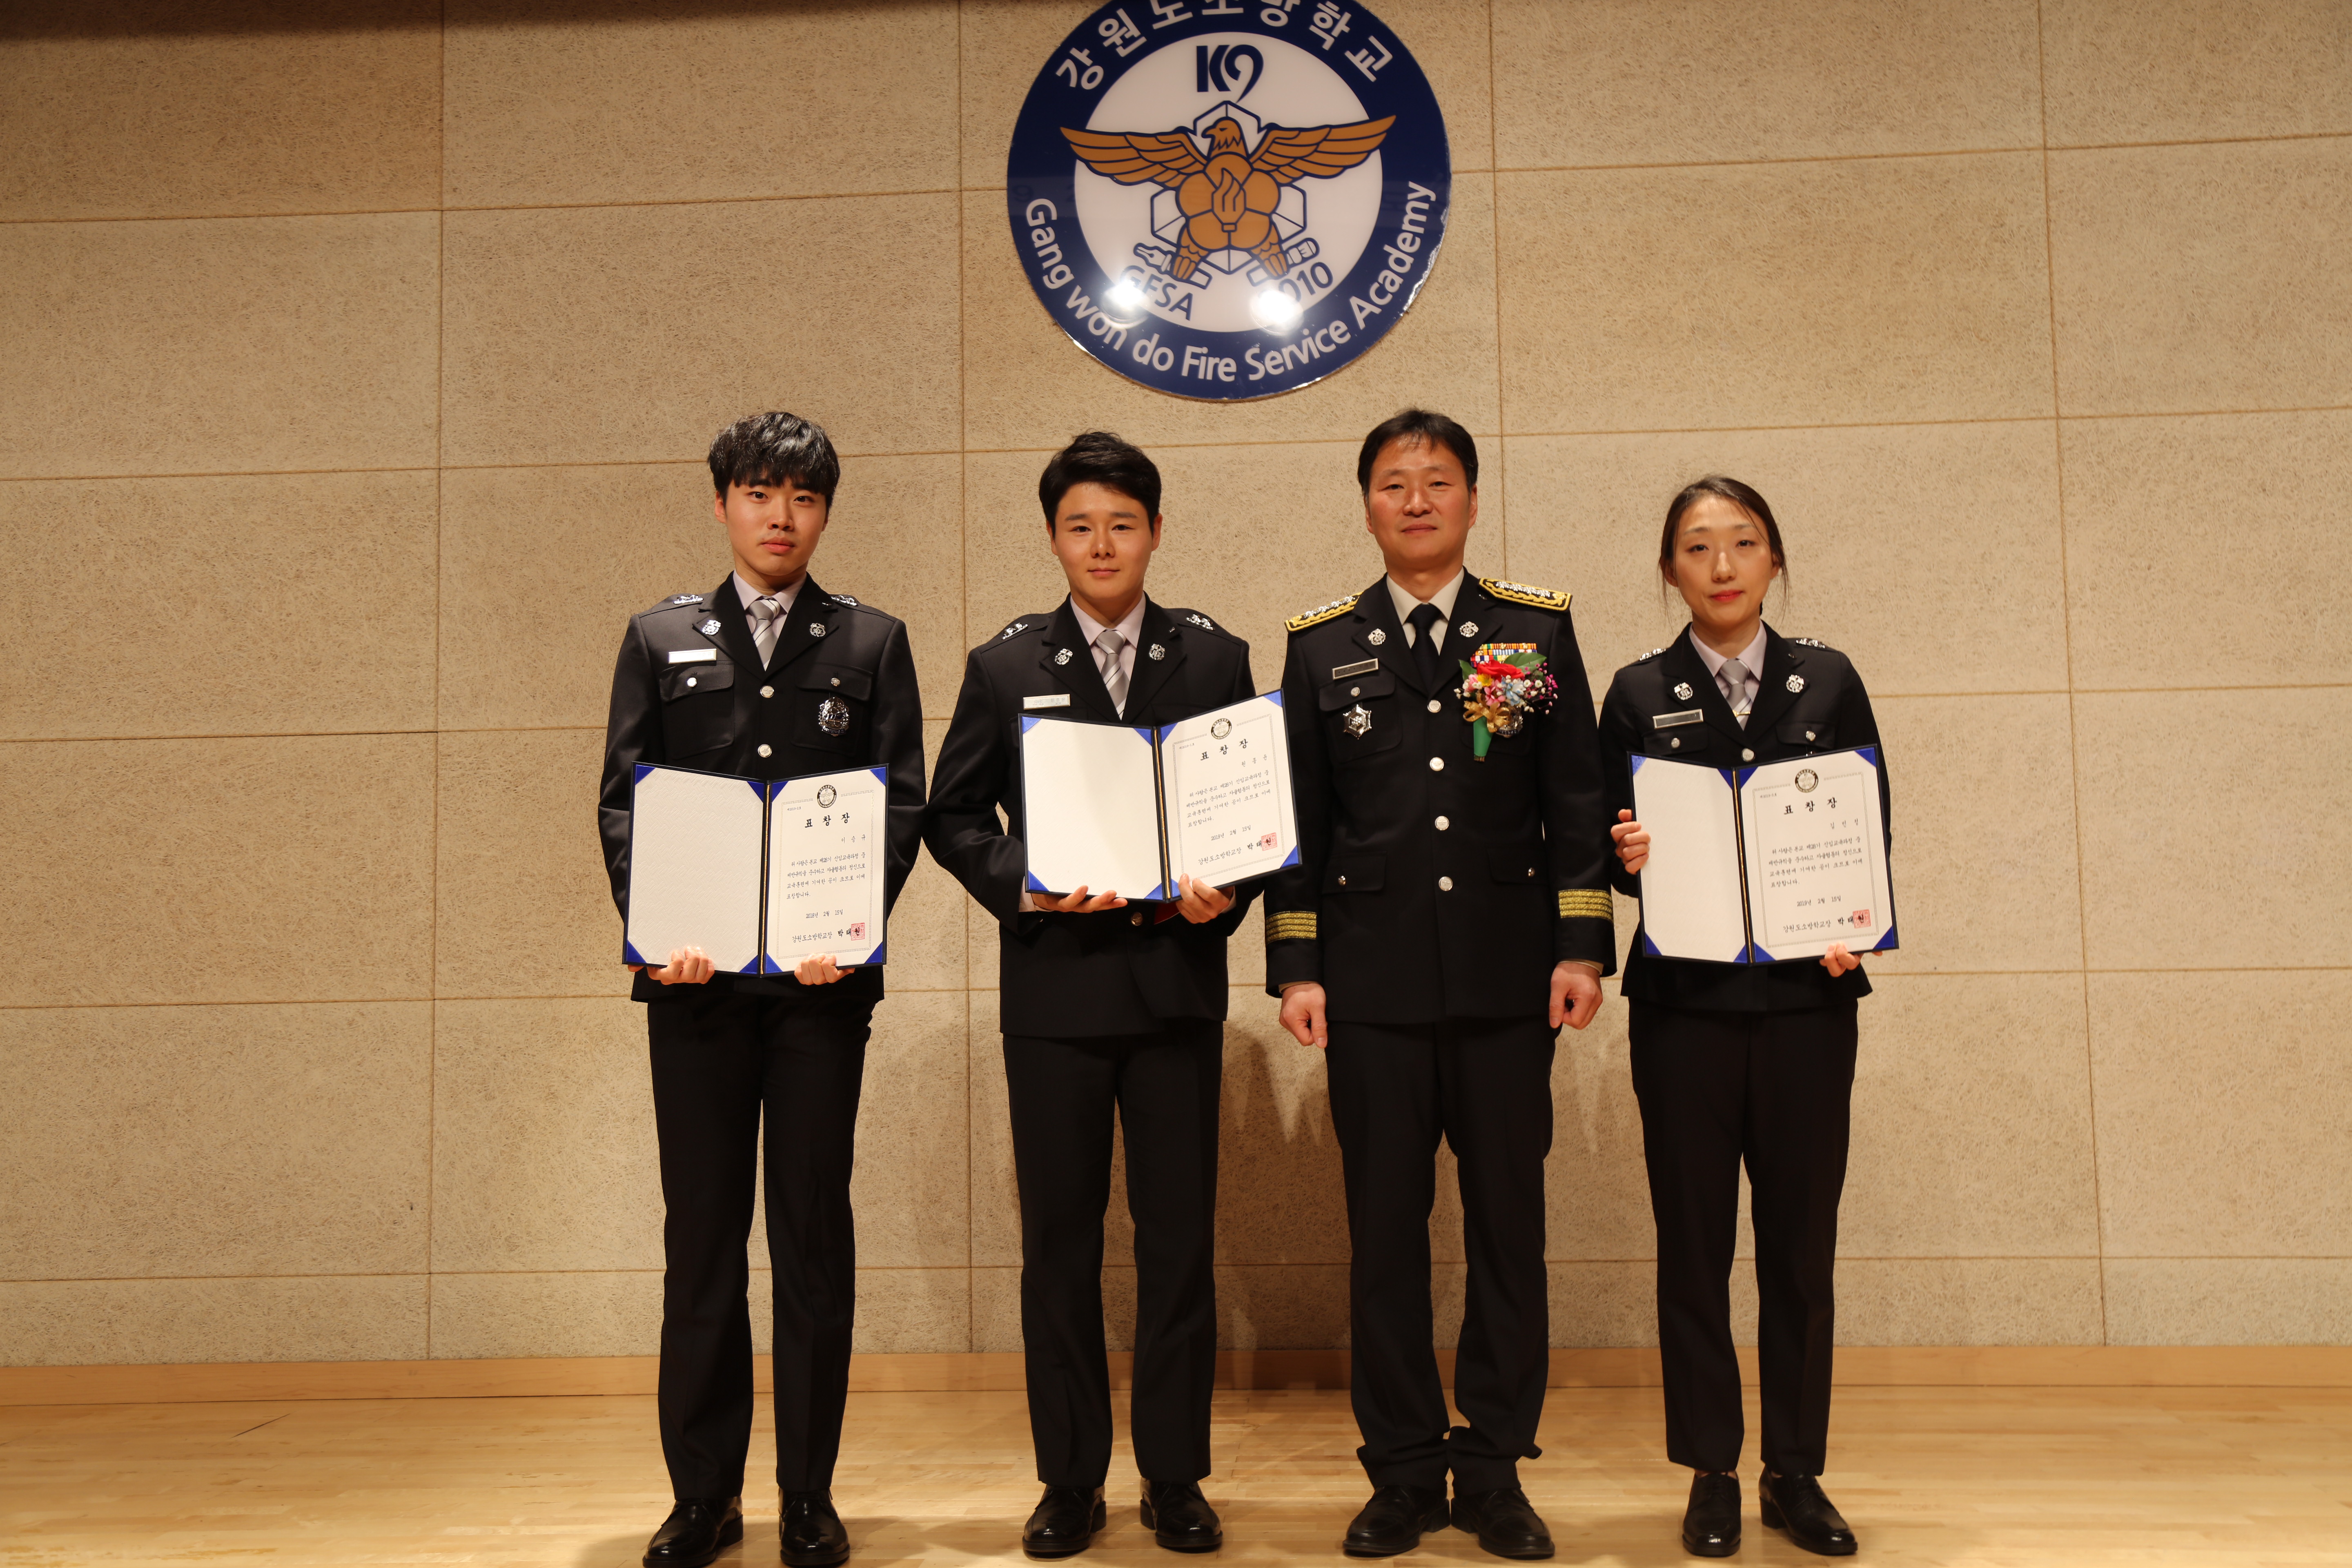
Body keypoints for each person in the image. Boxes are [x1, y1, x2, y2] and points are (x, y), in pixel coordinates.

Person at [1264, 410, 1618, 1561]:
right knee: (1386, 1239)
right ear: (1366, 504)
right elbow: (1298, 826)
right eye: (1393, 484)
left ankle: (1498, 1469)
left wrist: (1580, 948)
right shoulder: (1321, 646)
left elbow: (1575, 801)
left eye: (1438, 481)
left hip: (1511, 987)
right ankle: (1406, 1471)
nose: (1416, 501)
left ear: (1472, 497)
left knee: (1510, 1231)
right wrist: (1298, 966)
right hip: (1369, 991)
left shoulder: (1532, 630)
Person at [597, 411, 927, 1568]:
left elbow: (899, 804)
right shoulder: (659, 636)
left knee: (812, 1239)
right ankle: (702, 1497)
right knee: (702, 1244)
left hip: (821, 994)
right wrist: (661, 932)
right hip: (694, 995)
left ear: (825, 512)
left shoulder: (872, 640)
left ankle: (808, 1495)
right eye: (759, 493)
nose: (781, 516)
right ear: (723, 504)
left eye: (803, 497)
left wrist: (849, 927)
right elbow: (624, 800)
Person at [924, 432, 1258, 1559]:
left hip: (1174, 993)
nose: (1102, 544)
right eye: (1080, 526)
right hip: (1056, 998)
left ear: (1156, 531)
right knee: (1059, 1249)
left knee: (1177, 1245)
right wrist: (1025, 883)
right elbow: (953, 816)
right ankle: (1069, 1480)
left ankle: (1174, 1475)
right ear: (1053, 538)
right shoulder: (1004, 664)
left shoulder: (1214, 658)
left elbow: (1249, 813)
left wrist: (1230, 890)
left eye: (1122, 524)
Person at [1598, 476, 1890, 1559]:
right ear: (1669, 569)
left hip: (1809, 1004)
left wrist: (1856, 918)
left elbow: (1868, 824)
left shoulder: (1830, 679)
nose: (1722, 565)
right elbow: (1604, 850)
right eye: (1698, 546)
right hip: (1685, 1009)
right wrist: (1623, 855)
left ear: (1775, 560)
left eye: (1743, 542)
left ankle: (1795, 1471)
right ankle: (1712, 1470)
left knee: (1801, 1251)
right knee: (1694, 1246)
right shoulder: (1638, 691)